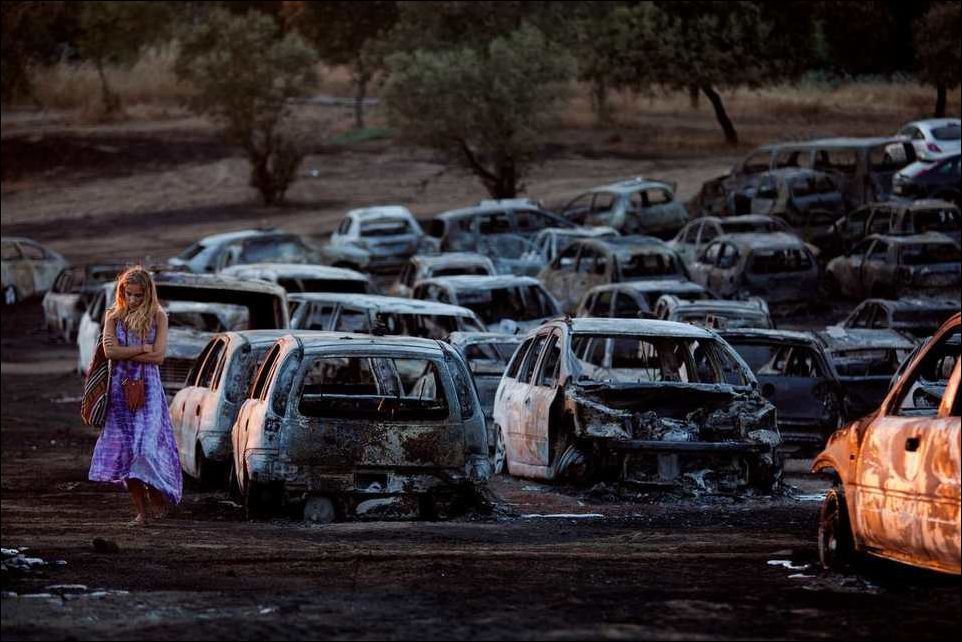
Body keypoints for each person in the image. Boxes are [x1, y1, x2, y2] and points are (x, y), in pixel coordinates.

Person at [88, 266, 182, 525]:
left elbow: (158, 357)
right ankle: (142, 512)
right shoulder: (113, 316)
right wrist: (142, 348)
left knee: (146, 447)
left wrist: (126, 351)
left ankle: (158, 493)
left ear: (148, 293)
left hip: (149, 391)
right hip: (119, 391)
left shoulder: (158, 316)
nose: (132, 299)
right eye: (127, 294)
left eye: (138, 295)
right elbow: (110, 353)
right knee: (126, 452)